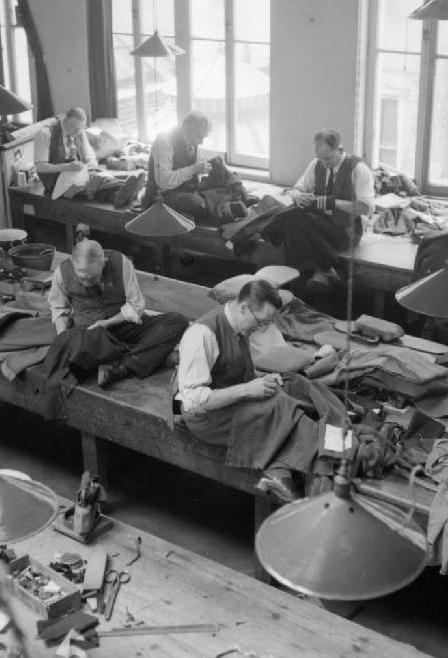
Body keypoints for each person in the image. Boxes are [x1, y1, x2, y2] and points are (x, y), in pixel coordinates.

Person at [177, 279, 330, 505]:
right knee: (281, 406)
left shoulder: (238, 324)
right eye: (261, 322)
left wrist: (261, 380)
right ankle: (321, 462)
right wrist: (248, 389)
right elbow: (192, 401)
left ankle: (291, 472)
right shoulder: (201, 334)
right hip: (207, 417)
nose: (261, 328)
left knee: (293, 385)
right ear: (243, 307)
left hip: (230, 401)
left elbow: (235, 372)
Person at [47, 239, 188, 387]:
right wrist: (64, 339)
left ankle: (121, 368)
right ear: (73, 265)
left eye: (94, 277)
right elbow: (59, 309)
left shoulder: (121, 263)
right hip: (90, 333)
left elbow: (136, 306)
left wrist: (106, 323)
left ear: (104, 263)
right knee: (79, 351)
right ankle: (140, 356)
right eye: (82, 278)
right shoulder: (61, 272)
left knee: (177, 321)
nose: (87, 282)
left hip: (123, 324)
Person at [264, 129, 375, 294]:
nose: (324, 163)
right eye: (321, 159)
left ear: (340, 149)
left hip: (346, 230)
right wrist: (299, 196)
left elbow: (366, 208)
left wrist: (332, 203)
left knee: (294, 225)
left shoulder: (358, 169)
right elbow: (296, 189)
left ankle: (311, 274)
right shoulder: (317, 164)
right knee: (294, 219)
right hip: (321, 227)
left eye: (328, 158)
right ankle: (325, 269)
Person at [34, 106, 144, 209]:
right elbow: (40, 167)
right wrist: (67, 167)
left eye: (80, 129)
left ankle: (121, 192)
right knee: (93, 180)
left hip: (74, 172)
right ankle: (122, 191)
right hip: (55, 180)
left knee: (99, 175)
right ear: (66, 120)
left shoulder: (78, 132)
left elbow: (90, 158)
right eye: (75, 128)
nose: (77, 132)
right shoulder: (46, 133)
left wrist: (89, 163)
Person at [142, 110, 213, 219]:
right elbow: (163, 181)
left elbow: (193, 172)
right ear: (186, 129)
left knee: (216, 195)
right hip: (160, 196)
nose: (201, 142)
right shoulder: (165, 140)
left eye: (203, 138)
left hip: (184, 192)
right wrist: (193, 170)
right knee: (199, 204)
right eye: (199, 136)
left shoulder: (192, 143)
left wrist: (205, 169)